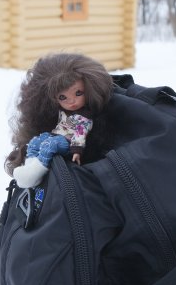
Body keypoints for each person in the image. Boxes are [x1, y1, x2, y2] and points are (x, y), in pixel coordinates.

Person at [7, 53, 114, 188]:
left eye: (78, 93)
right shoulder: (59, 113)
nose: (72, 101)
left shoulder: (83, 118)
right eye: (63, 97)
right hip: (56, 136)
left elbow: (80, 134)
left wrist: (77, 151)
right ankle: (30, 166)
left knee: (49, 145)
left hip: (67, 142)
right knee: (36, 141)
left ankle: (36, 170)